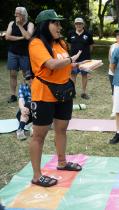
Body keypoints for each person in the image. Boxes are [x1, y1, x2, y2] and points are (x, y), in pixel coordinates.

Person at [29, 9, 82, 187]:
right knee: (39, 136)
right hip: (44, 94)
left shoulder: (61, 43)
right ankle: (37, 176)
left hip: (64, 92)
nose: (60, 27)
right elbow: (51, 64)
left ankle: (62, 162)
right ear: (45, 25)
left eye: (59, 23)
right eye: (55, 23)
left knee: (62, 129)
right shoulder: (36, 43)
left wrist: (79, 66)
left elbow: (65, 65)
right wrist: (70, 60)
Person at [5, 7, 34, 103]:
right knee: (13, 74)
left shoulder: (30, 24)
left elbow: (28, 36)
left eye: (17, 14)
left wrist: (20, 26)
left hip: (25, 53)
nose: (15, 15)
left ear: (23, 15)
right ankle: (13, 95)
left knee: (27, 75)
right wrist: (21, 38)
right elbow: (7, 37)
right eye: (15, 13)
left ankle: (30, 94)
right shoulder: (11, 23)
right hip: (12, 52)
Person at [67, 17, 94, 100]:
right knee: (73, 75)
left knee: (84, 75)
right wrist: (72, 55)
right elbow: (69, 45)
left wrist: (86, 54)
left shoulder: (88, 34)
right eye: (77, 23)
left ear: (83, 25)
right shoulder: (70, 33)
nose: (78, 25)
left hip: (85, 59)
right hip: (74, 60)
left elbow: (91, 46)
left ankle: (83, 92)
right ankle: (73, 92)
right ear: (74, 25)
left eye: (80, 23)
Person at [108, 28, 119, 117]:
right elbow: (110, 59)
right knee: (114, 91)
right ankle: (114, 110)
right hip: (112, 72)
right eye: (117, 35)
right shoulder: (112, 46)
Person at [16, 74, 33, 140]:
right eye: (28, 78)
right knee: (26, 105)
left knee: (31, 104)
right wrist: (22, 108)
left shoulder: (40, 87)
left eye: (32, 77)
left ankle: (22, 129)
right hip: (26, 112)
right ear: (25, 80)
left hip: (37, 112)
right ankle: (21, 130)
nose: (30, 79)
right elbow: (21, 99)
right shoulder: (22, 87)